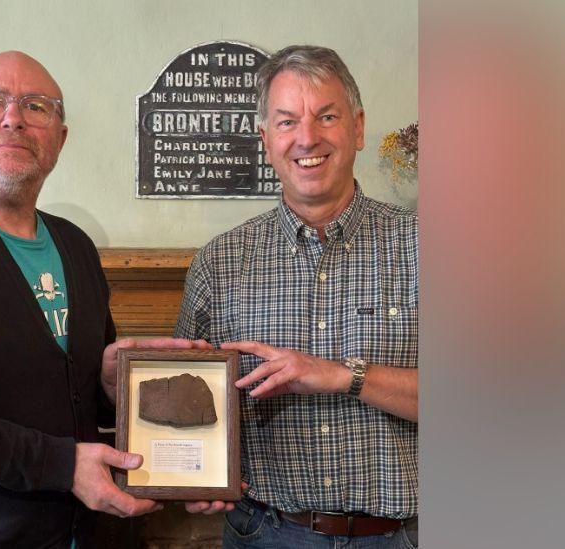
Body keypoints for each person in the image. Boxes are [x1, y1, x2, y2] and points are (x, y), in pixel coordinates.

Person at [0, 51, 200, 548]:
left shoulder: (74, 245)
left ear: (59, 138)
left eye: (36, 107)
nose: (13, 118)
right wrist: (62, 466)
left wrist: (107, 384)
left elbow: (72, 401)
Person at [176, 45, 419, 548]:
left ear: (357, 128)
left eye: (326, 117)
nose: (307, 137)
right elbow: (186, 404)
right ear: (266, 141)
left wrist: (340, 376)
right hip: (264, 532)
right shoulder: (219, 263)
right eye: (287, 122)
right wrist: (191, 475)